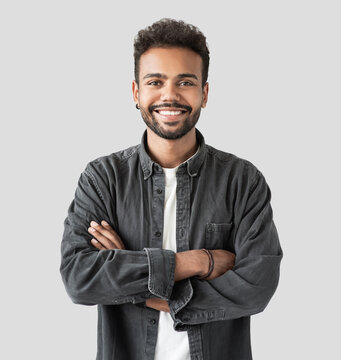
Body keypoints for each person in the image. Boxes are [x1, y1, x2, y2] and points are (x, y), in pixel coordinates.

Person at [60, 18, 283, 360]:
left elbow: (256, 287)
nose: (170, 95)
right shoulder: (102, 178)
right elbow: (79, 278)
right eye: (155, 81)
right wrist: (196, 262)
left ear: (204, 93)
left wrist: (133, 278)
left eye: (185, 82)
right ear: (137, 92)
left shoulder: (243, 180)